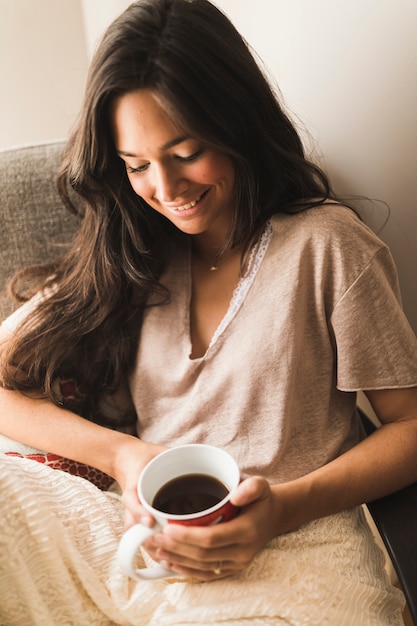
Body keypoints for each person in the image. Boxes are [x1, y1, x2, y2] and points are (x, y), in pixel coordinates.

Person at [1, 0, 417, 623]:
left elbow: (410, 428)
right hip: (134, 532)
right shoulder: (135, 247)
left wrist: (284, 506)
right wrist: (122, 456)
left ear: (236, 125)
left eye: (187, 152)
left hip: (293, 542)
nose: (165, 190)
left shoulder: (329, 247)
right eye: (137, 165)